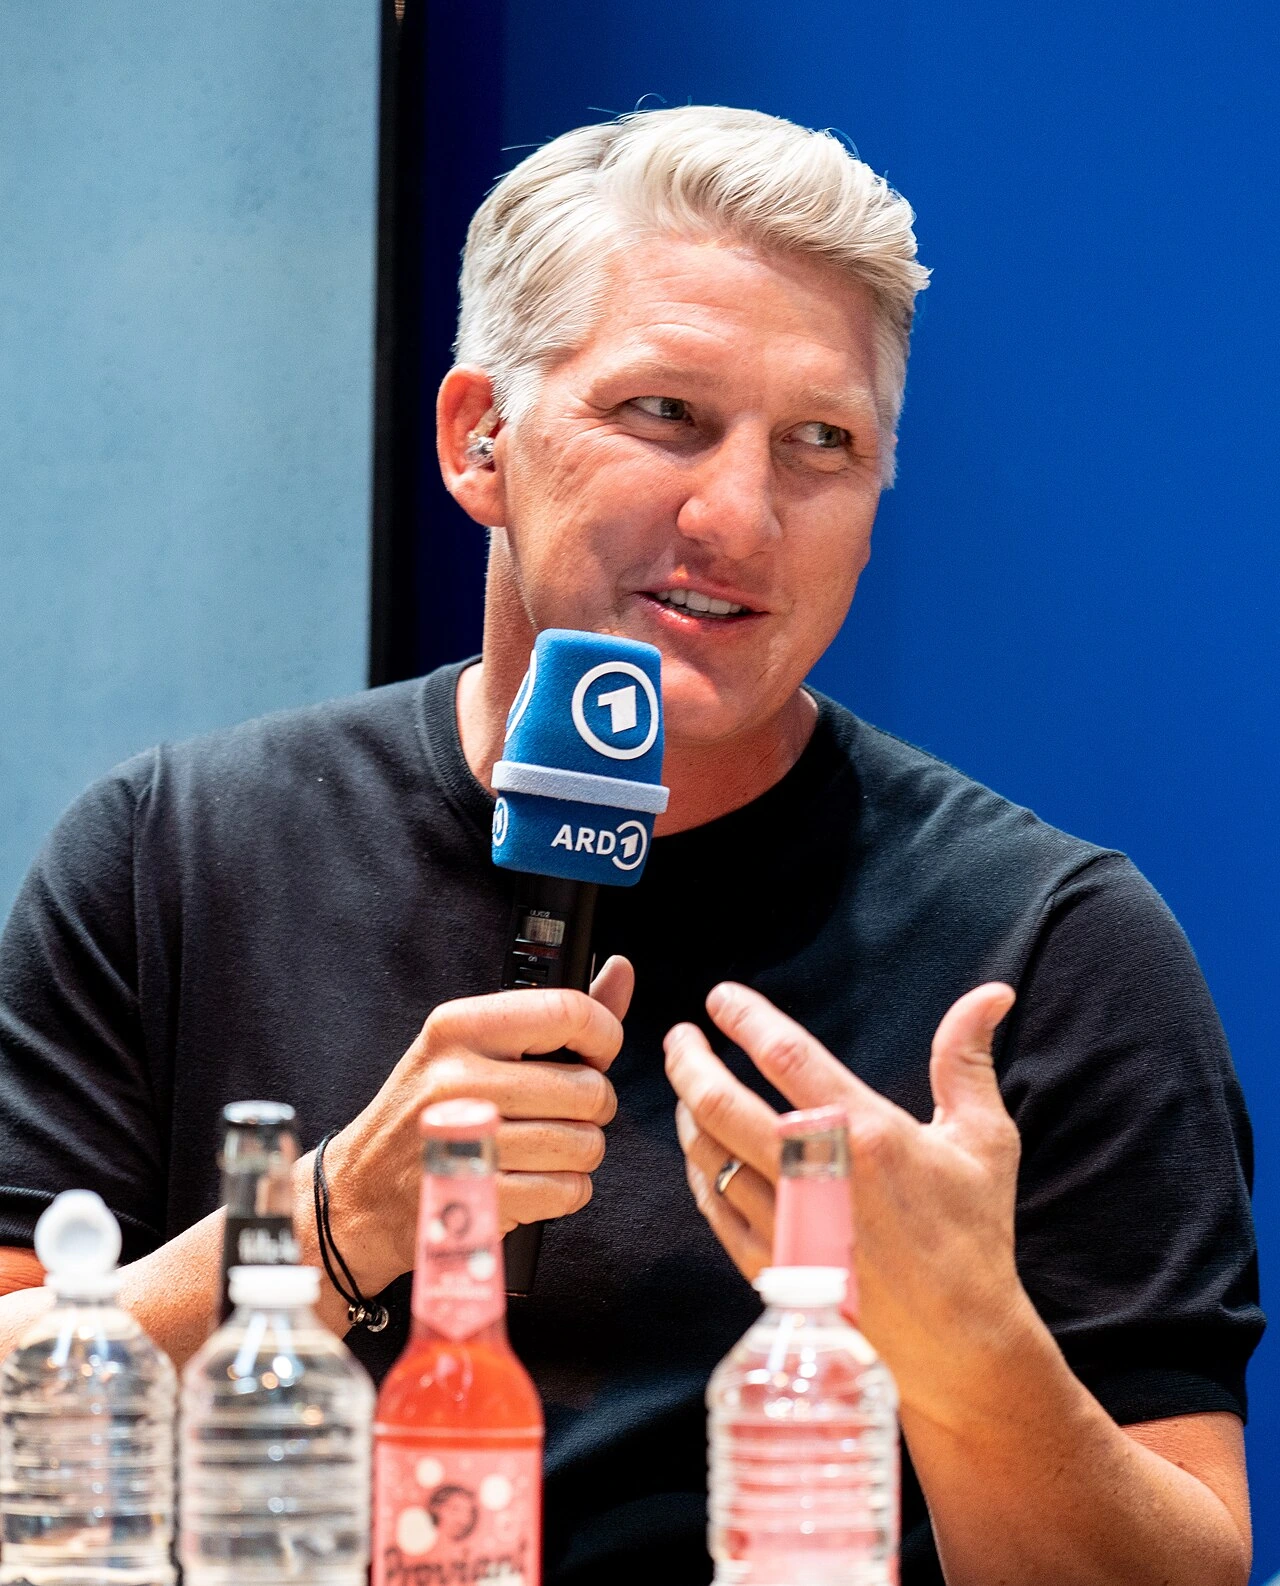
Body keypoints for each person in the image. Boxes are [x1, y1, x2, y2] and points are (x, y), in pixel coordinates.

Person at [0, 106, 1262, 1585]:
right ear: (481, 440)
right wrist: (339, 1220)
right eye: (665, 413)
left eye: (822, 443)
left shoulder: (1048, 947)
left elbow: (1182, 1562)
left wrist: (967, 1349)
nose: (738, 514)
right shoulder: (172, 857)